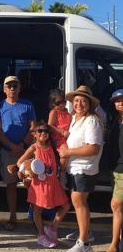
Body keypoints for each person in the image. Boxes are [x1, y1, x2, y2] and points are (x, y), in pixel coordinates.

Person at [59, 85, 104, 252]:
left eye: (83, 101)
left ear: (90, 104)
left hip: (84, 168)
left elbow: (93, 148)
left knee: (79, 201)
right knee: (78, 202)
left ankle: (84, 243)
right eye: (76, 100)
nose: (79, 104)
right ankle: (85, 232)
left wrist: (68, 151)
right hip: (75, 167)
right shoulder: (75, 119)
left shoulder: (92, 120)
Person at [14, 121, 70, 248]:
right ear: (34, 134)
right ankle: (40, 235)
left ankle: (52, 228)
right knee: (37, 209)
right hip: (39, 184)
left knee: (66, 205)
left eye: (46, 131)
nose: (44, 133)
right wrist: (29, 170)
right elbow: (19, 163)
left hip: (53, 183)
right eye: (40, 131)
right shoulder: (34, 148)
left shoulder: (51, 146)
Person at [0, 75, 36, 231]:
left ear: (20, 88)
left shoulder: (27, 105)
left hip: (26, 150)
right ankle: (12, 216)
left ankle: (34, 214)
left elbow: (33, 127)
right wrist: (12, 146)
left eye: (15, 86)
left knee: (30, 182)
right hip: (8, 151)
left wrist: (23, 144)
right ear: (4, 89)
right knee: (10, 184)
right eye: (9, 86)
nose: (12, 88)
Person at [107, 89, 123, 252]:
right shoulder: (115, 120)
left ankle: (113, 245)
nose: (121, 103)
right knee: (118, 207)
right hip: (115, 169)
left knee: (116, 205)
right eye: (117, 101)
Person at [48, 88, 72, 169]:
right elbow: (49, 126)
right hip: (59, 139)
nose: (62, 104)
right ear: (53, 103)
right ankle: (60, 171)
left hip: (67, 137)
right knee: (65, 153)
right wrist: (62, 132)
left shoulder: (66, 111)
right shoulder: (54, 112)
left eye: (64, 102)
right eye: (59, 103)